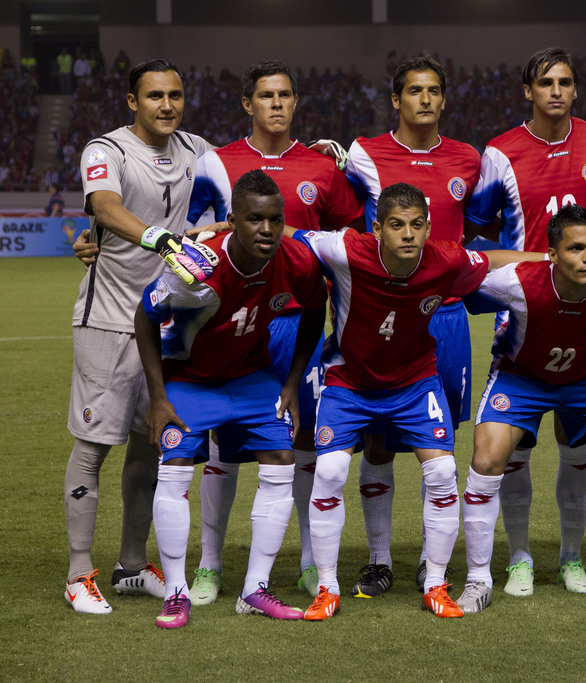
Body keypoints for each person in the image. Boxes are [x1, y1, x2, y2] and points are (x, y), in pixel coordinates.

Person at [293, 183, 538, 621]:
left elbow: (493, 259)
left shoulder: (446, 259)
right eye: (397, 225)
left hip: (415, 383)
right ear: (377, 229)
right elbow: (288, 235)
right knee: (329, 470)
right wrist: (223, 232)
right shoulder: (345, 249)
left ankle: (436, 584)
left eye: (417, 225)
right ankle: (327, 588)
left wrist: (546, 258)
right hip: (350, 382)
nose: (408, 234)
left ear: (428, 228)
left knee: (442, 471)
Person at [183, 60, 363, 605]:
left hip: (301, 321)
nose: (277, 104)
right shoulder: (217, 163)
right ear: (248, 104)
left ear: (296, 101)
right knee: (223, 441)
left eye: (285, 94)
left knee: (305, 440)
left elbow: (349, 239)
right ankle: (211, 565)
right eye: (266, 95)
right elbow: (193, 232)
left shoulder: (322, 168)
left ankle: (310, 561)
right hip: (235, 322)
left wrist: (348, 169)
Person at [135, 169, 327, 628]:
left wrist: (291, 383)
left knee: (282, 456)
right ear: (232, 220)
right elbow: (145, 316)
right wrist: (159, 398)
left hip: (252, 378)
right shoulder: (198, 267)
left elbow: (317, 309)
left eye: (275, 220)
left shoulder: (296, 261)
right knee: (176, 466)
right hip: (190, 381)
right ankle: (177, 593)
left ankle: (254, 589)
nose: (267, 230)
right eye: (255, 219)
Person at [458, 205, 586, 613]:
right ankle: (479, 579)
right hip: (520, 377)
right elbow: (468, 289)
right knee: (486, 463)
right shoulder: (517, 281)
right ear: (552, 254)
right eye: (575, 249)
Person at [464, 46, 586, 596]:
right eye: (545, 82)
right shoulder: (501, 152)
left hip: (584, 315)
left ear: (576, 89)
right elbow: (478, 225)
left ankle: (572, 558)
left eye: (565, 82)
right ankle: (522, 558)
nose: (556, 90)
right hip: (524, 314)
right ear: (527, 91)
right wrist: (527, 264)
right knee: (517, 447)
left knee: (577, 442)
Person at [63, 58, 215, 615]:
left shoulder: (198, 150)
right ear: (133, 101)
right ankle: (80, 572)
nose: (167, 105)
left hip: (168, 323)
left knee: (153, 443)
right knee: (93, 447)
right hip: (108, 320)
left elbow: (239, 199)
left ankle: (132, 563)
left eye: (175, 94)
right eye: (154, 96)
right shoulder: (106, 150)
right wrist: (161, 239)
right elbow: (104, 207)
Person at [344, 55, 481, 598]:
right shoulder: (363, 154)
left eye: (433, 91)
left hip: (445, 316)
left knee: (439, 443)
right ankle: (379, 561)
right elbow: (333, 215)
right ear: (396, 99)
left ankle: (433, 562)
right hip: (383, 316)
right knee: (378, 441)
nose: (424, 99)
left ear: (444, 100)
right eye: (414, 91)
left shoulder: (469, 160)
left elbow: (487, 225)